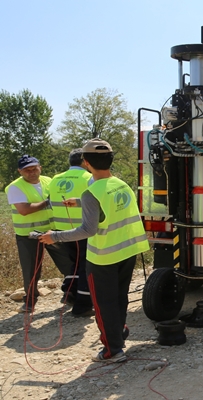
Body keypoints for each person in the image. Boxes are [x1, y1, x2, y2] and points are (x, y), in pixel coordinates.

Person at [39, 138, 150, 363]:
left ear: (86, 163)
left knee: (103, 303)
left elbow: (87, 230)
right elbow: (108, 205)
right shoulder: (121, 184)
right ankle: (118, 333)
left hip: (104, 257)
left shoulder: (92, 193)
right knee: (119, 297)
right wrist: (81, 202)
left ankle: (112, 350)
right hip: (128, 250)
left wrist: (55, 237)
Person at [5, 155, 73, 313]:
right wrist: (47, 202)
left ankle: (71, 294)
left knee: (68, 263)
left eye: (34, 169)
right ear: (19, 171)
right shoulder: (15, 187)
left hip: (52, 231)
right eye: (27, 170)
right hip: (28, 235)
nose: (32, 172)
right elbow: (24, 210)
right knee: (31, 270)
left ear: (40, 167)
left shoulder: (48, 181)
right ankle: (29, 301)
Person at [49, 148, 94, 316]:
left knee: (73, 263)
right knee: (84, 265)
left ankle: (70, 293)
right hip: (82, 230)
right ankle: (83, 305)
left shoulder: (55, 179)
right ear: (84, 162)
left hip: (62, 229)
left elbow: (50, 202)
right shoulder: (89, 178)